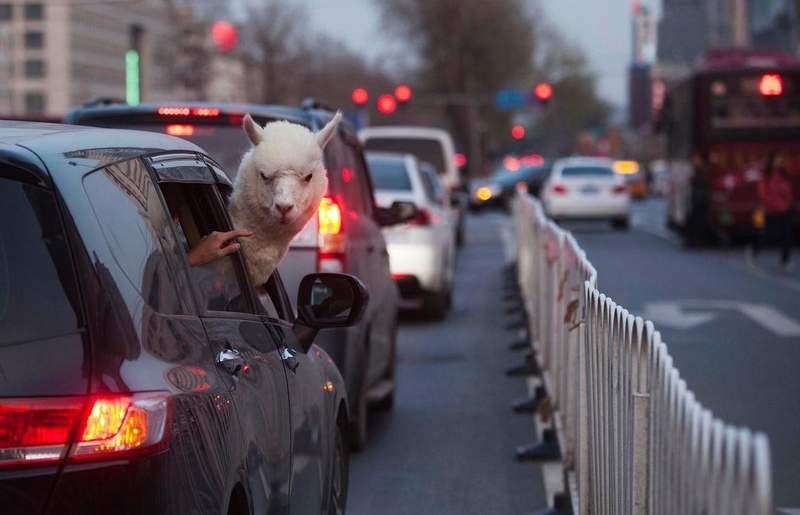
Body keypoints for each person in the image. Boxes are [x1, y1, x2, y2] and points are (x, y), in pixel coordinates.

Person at [749, 151, 794, 271]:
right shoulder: (766, 175)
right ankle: (754, 252)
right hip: (768, 210)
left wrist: (787, 202)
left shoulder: (783, 174)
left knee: (786, 235)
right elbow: (763, 194)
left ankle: (785, 261)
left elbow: (788, 191)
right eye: (777, 159)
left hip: (784, 210)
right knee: (764, 234)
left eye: (780, 159)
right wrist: (776, 204)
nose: (779, 162)